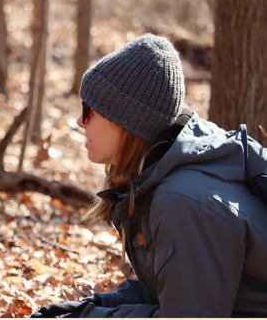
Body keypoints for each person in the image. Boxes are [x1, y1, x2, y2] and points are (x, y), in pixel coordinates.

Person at [31, 34, 267, 317]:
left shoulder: (183, 201)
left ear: (125, 121)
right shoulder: (163, 175)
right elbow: (167, 288)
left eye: (89, 110)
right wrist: (88, 308)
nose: (80, 122)